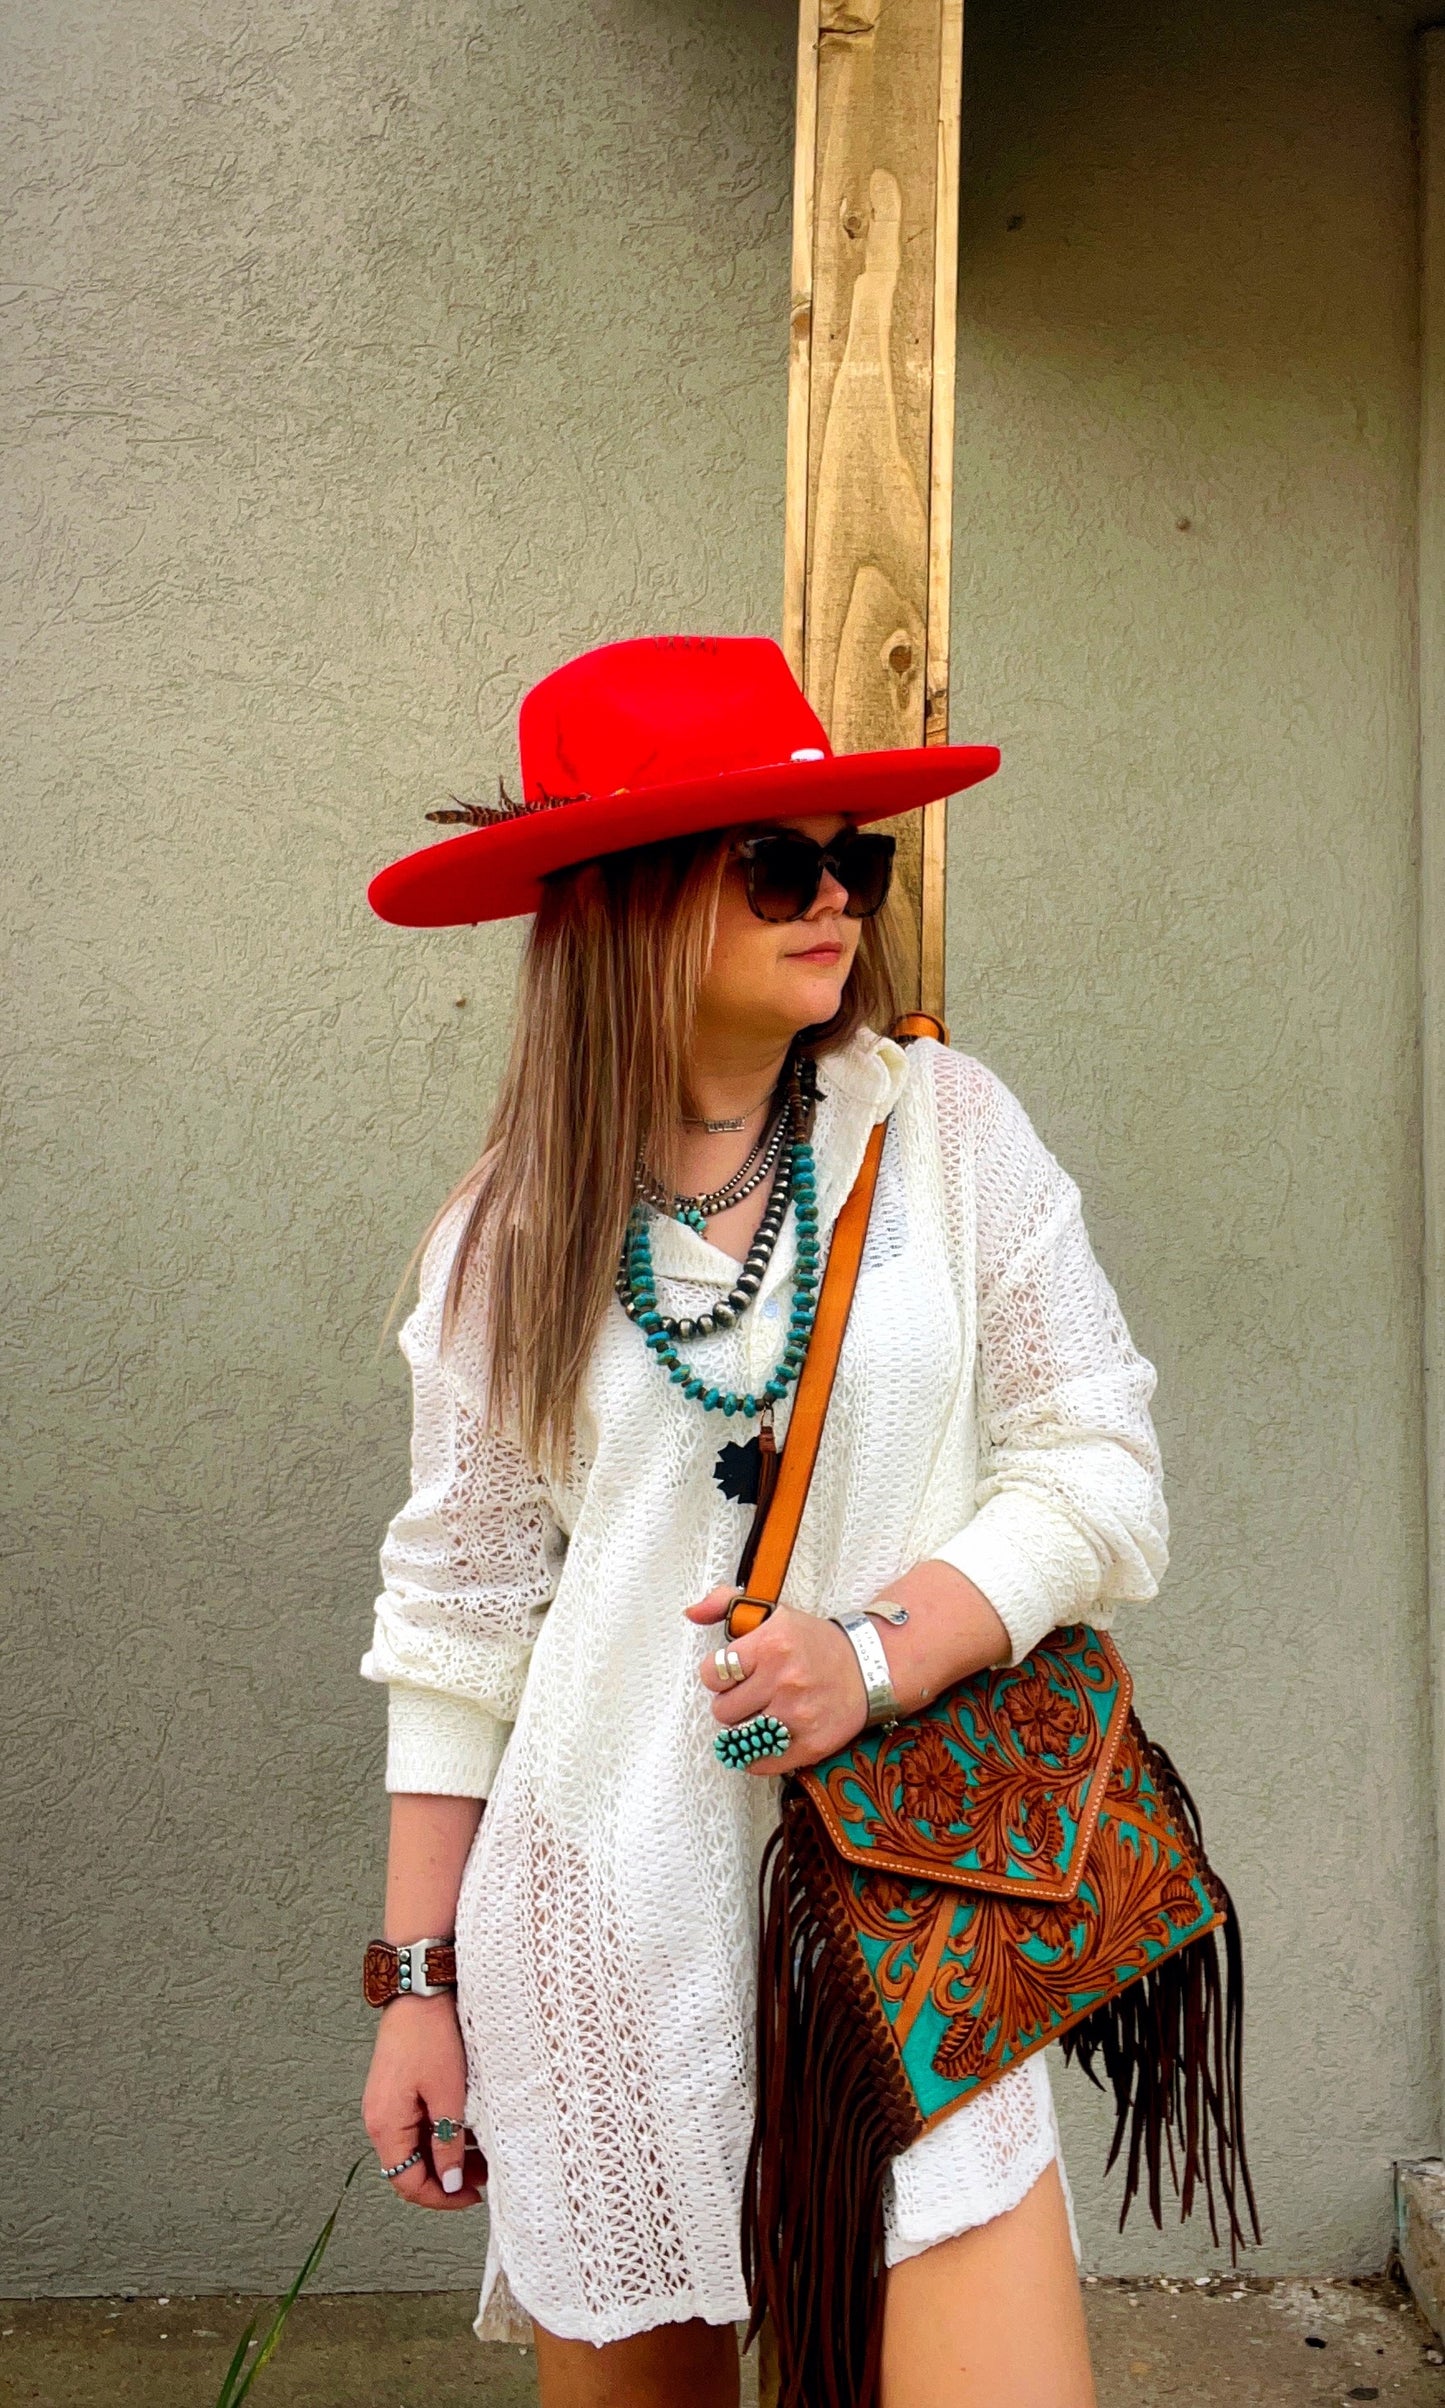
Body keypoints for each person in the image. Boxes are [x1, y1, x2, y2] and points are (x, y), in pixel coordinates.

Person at [358, 635, 1169, 2408]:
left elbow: (1098, 1465)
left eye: (852, 860)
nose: (837, 903)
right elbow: (459, 1615)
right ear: (623, 900)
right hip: (599, 1919)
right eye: (776, 864)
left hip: (902, 1916)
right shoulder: (506, 1237)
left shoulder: (946, 1133)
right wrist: (415, 1983)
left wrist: (882, 1650)